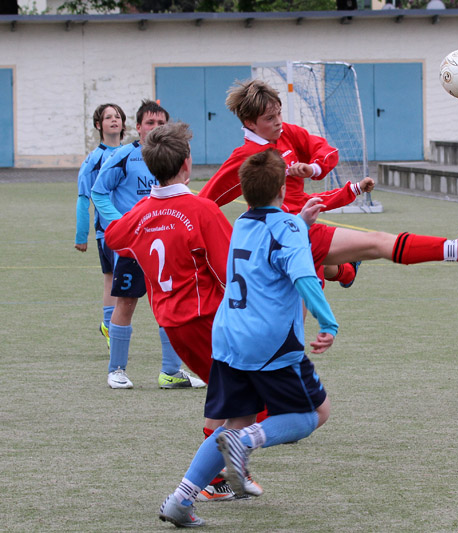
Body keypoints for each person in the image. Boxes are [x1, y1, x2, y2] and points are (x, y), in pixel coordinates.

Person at [158, 148, 338, 528]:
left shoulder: (241, 221)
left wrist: (300, 222)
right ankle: (246, 444)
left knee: (234, 423)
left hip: (229, 338)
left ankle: (180, 499)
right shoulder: (286, 228)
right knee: (314, 414)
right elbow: (305, 277)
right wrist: (328, 322)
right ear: (283, 188)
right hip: (269, 343)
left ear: (244, 192)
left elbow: (269, 238)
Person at [103, 121, 262, 501]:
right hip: (206, 320)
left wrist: (149, 217)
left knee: (225, 394)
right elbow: (229, 272)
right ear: (187, 163)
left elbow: (114, 237)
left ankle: (221, 476)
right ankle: (213, 476)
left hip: (171, 323)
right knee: (260, 400)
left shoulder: (142, 211)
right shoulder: (202, 209)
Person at [199, 79, 458, 280]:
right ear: (249, 123)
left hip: (301, 229)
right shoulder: (245, 157)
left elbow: (328, 152)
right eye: (269, 119)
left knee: (314, 282)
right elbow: (203, 204)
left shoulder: (287, 133)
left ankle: (346, 272)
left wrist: (314, 169)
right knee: (376, 242)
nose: (278, 122)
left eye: (279, 114)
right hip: (287, 236)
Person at [92, 99, 203, 390]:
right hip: (134, 246)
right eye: (150, 123)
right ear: (138, 127)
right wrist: (122, 224)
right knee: (126, 302)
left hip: (167, 243)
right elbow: (98, 192)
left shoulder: (174, 157)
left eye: (160, 123)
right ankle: (116, 370)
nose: (155, 128)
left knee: (171, 302)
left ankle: (171, 372)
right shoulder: (123, 156)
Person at [74, 103, 126, 350]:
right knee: (113, 279)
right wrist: (81, 235)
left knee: (117, 279)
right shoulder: (94, 159)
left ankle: (109, 325)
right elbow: (83, 197)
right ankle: (110, 327)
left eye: (117, 116)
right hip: (108, 232)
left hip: (134, 230)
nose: (114, 120)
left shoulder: (131, 153)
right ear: (99, 125)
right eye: (108, 117)